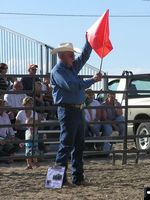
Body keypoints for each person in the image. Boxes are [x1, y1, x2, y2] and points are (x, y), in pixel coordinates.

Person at [50, 39, 102, 186]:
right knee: (66, 145)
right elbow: (72, 86)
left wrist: (90, 41)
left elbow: (84, 56)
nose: (74, 58)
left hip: (75, 111)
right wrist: (92, 80)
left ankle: (76, 178)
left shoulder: (69, 68)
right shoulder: (58, 71)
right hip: (67, 111)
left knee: (78, 145)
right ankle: (58, 181)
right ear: (61, 56)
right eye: (71, 55)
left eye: (73, 55)